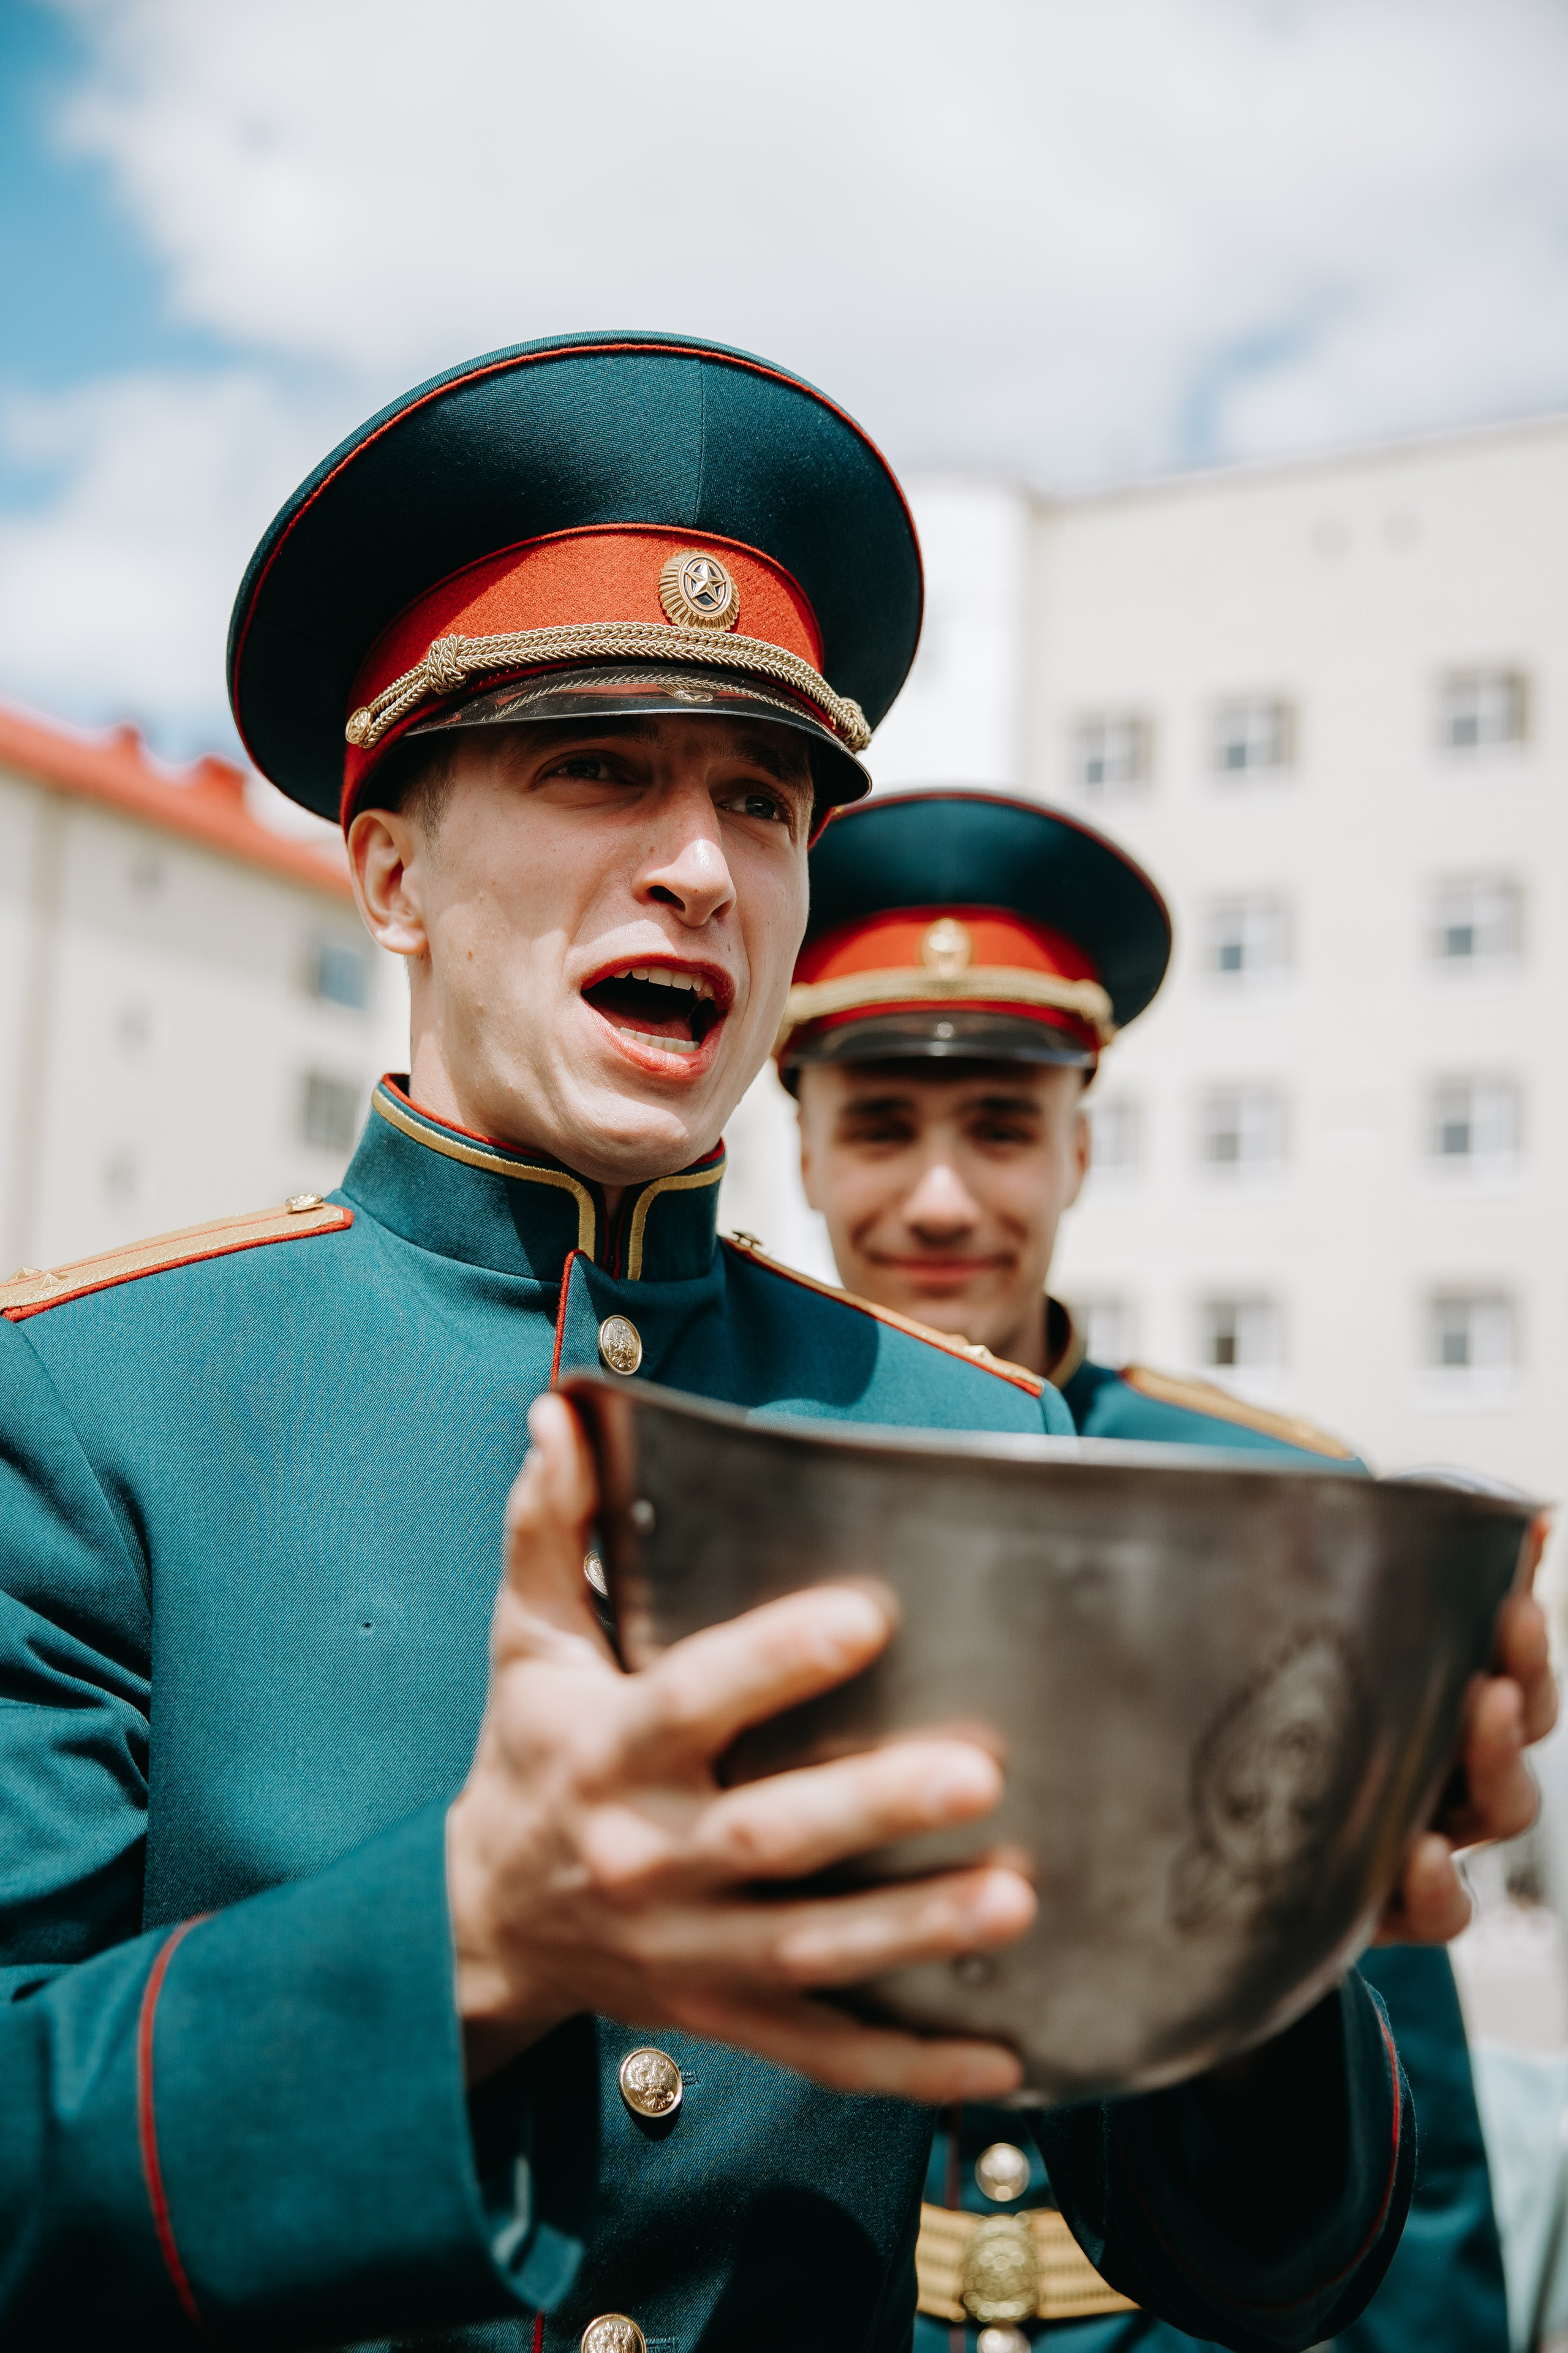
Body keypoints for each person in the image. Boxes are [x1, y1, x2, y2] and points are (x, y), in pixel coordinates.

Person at [0, 331, 1513, 2353]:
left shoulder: (978, 1444)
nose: (704, 865)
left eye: (765, 798)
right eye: (598, 768)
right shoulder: (88, 1408)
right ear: (388, 870)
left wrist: (1253, 1926)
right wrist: (465, 1940)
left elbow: (1272, 2259)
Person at [778, 785, 1555, 2353]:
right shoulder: (723, 1483)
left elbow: (1402, 2084)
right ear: (797, 1142)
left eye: (1001, 1125)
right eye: (878, 1124)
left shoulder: (1276, 1501)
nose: (940, 1197)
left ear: (1078, 1143)